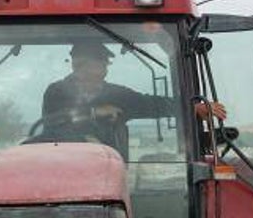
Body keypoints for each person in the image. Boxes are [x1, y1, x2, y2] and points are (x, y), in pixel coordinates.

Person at [40, 39, 226, 155]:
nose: (105, 68)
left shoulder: (117, 95)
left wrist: (191, 108)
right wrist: (94, 112)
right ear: (78, 64)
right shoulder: (57, 92)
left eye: (105, 64)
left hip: (112, 168)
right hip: (65, 166)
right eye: (101, 62)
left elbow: (151, 104)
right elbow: (53, 123)